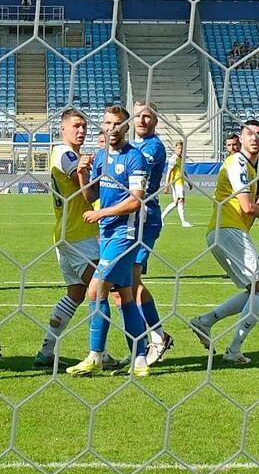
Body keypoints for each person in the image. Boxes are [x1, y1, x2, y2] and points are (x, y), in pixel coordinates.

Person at [66, 105, 151, 378]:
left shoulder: (135, 158)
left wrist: (102, 212)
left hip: (125, 235)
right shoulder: (101, 157)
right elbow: (90, 196)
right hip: (107, 234)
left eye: (117, 123)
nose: (111, 128)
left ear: (125, 127)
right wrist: (81, 172)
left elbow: (136, 200)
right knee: (123, 294)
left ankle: (95, 356)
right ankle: (139, 359)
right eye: (107, 123)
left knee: (96, 289)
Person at [188, 119, 259, 365]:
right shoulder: (238, 161)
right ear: (241, 137)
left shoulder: (250, 168)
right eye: (250, 133)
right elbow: (248, 208)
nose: (255, 138)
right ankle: (233, 350)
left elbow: (246, 208)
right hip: (228, 231)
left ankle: (205, 321)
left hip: (224, 231)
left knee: (254, 290)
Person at [33, 108, 101, 369]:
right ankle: (99, 353)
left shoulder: (67, 153)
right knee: (103, 289)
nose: (81, 130)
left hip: (66, 233)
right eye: (76, 126)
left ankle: (46, 350)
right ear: (62, 129)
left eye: (84, 126)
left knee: (76, 292)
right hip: (78, 234)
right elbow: (89, 193)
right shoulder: (65, 153)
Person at [128, 101, 173, 364]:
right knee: (122, 285)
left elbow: (135, 173)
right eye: (138, 117)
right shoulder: (134, 146)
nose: (142, 121)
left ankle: (157, 337)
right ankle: (144, 342)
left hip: (146, 218)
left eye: (147, 117)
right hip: (129, 219)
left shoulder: (153, 147)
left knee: (132, 282)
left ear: (155, 121)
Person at [164, 139, 193, 227]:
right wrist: (167, 185)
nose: (180, 150)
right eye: (179, 148)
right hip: (176, 182)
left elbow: (183, 172)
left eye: (182, 148)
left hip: (181, 182)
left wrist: (188, 182)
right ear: (175, 149)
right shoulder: (174, 158)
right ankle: (183, 222)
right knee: (181, 200)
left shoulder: (181, 159)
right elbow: (169, 172)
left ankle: (162, 217)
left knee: (176, 202)